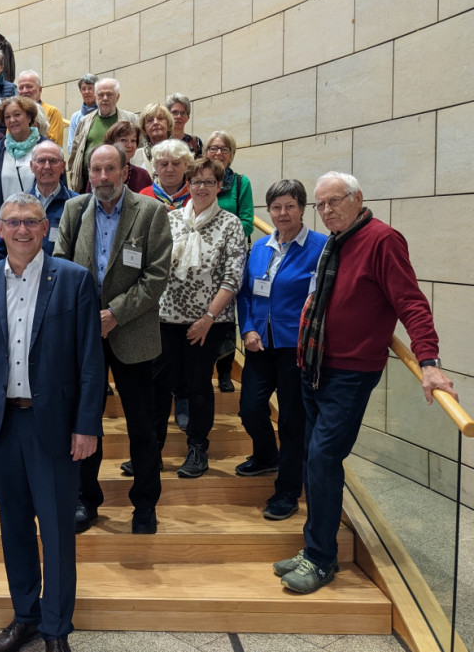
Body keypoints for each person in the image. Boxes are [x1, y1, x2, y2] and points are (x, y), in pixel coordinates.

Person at [275, 171, 457, 594]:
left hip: (350, 374)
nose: (326, 210)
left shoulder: (382, 239)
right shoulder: (334, 242)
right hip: (315, 364)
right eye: (320, 205)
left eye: (334, 201)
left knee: (322, 458)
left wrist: (428, 360)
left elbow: (410, 301)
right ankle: (312, 548)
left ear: (357, 198)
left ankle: (321, 560)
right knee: (314, 458)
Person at [0, 192, 104, 652]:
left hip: (54, 426)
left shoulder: (75, 280)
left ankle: (57, 628)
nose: (21, 230)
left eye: (31, 222)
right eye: (13, 222)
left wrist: (87, 425)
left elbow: (90, 361)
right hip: (0, 426)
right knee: (14, 524)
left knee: (57, 531)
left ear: (45, 229)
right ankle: (26, 617)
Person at [54, 144, 172, 536]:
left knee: (142, 426)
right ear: (88, 173)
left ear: (125, 170)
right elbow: (59, 266)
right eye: (96, 170)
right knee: (86, 422)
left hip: (133, 334)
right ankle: (86, 500)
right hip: (83, 336)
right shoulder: (74, 210)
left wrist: (114, 314)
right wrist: (88, 317)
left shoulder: (151, 212)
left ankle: (145, 504)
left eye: (110, 169)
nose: (102, 177)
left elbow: (156, 277)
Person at [236, 180, 327, 521]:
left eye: (290, 206)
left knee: (291, 422)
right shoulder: (260, 247)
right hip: (259, 344)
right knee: (250, 409)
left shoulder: (321, 247)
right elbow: (244, 294)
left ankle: (288, 491)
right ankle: (265, 456)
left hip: (296, 348)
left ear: (302, 208)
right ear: (269, 211)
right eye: (276, 207)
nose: (283, 213)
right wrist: (246, 328)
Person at [151, 157, 245, 479]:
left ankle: (197, 449)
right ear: (187, 185)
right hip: (167, 319)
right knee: (161, 386)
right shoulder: (172, 219)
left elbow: (232, 278)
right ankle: (150, 451)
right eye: (196, 181)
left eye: (208, 182)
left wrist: (207, 317)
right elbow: (157, 266)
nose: (201, 187)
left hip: (208, 323)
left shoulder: (230, 224)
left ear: (219, 186)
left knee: (198, 386)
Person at [204, 130, 254, 392]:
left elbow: (246, 221)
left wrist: (221, 237)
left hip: (230, 257)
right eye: (213, 148)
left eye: (224, 149)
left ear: (232, 155)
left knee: (226, 315)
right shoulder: (200, 179)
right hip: (202, 259)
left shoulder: (241, 183)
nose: (218, 153)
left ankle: (224, 371)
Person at [0, 96, 51, 255]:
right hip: (6, 231)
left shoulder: (46, 148)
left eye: (17, 114)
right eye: (7, 117)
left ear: (29, 117)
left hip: (38, 228)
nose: (12, 120)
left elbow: (59, 189)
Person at [0, 140, 76, 261]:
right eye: (41, 161)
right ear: (32, 166)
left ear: (63, 166)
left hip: (63, 277)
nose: (47, 167)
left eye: (53, 161)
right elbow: (1, 251)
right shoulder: (15, 206)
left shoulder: (76, 205)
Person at [67, 78, 137, 192]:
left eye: (109, 94)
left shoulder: (131, 119)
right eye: (101, 95)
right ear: (95, 96)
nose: (105, 98)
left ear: (117, 97)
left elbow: (138, 150)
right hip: (88, 185)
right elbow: (75, 154)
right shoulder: (84, 122)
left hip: (122, 184)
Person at [85, 121, 152, 194]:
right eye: (123, 140)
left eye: (133, 141)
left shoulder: (143, 175)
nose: (129, 145)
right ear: (111, 143)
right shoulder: (99, 175)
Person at [138, 138, 194, 210]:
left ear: (186, 164)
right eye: (164, 164)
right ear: (156, 166)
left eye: (176, 163)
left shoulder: (196, 194)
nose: (170, 169)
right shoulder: (144, 196)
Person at [16, 70, 63, 146]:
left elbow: (53, 144)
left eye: (29, 87)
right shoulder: (14, 114)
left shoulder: (52, 112)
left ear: (40, 89)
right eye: (21, 88)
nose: (24, 91)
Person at [138, 103, 174, 175]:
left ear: (168, 123)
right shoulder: (135, 156)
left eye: (160, 118)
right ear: (144, 128)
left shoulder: (181, 152)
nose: (155, 122)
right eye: (150, 120)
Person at [67, 73, 98, 153]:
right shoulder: (75, 117)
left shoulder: (104, 113)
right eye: (83, 89)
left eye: (90, 88)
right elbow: (71, 145)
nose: (87, 92)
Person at [165, 92, 202, 158]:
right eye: (174, 112)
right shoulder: (161, 141)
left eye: (183, 113)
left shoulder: (196, 142)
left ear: (188, 118)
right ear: (167, 115)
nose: (179, 116)